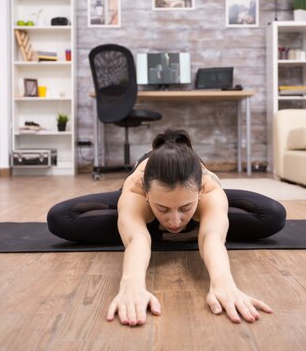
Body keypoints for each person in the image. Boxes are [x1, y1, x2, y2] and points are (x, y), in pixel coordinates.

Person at [47, 128, 287, 326]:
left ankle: (164, 223)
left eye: (184, 209)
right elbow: (136, 240)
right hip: (140, 200)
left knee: (273, 215)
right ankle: (154, 220)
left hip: (190, 198)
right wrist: (132, 285)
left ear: (200, 192)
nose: (174, 221)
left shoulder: (208, 188)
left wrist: (223, 283)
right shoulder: (136, 189)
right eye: (163, 209)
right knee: (60, 217)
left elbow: (212, 238)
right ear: (147, 194)